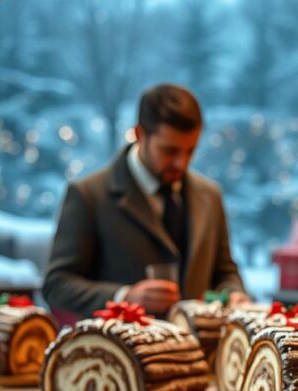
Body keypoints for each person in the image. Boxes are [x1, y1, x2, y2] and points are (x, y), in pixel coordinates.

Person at [43, 84, 248, 318]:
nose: (181, 163)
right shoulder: (88, 195)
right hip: (121, 352)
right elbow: (56, 285)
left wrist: (233, 292)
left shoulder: (210, 196)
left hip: (200, 351)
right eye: (170, 151)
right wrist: (124, 297)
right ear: (140, 135)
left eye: (190, 151)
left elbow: (225, 272)